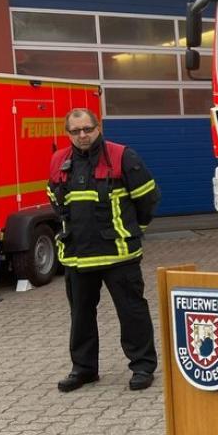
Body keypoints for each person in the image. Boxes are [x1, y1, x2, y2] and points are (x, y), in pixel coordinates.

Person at [47, 108, 161, 393]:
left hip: (119, 255)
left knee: (132, 312)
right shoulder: (59, 161)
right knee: (81, 316)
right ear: (68, 133)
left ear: (98, 128)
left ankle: (142, 366)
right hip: (77, 256)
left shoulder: (123, 156)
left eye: (87, 129)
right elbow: (55, 200)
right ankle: (83, 369)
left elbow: (148, 199)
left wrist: (135, 232)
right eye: (76, 131)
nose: (82, 135)